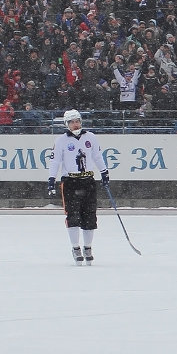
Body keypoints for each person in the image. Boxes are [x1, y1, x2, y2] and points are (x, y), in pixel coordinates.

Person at [47, 109, 109, 265]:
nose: (76, 124)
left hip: (88, 180)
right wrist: (51, 179)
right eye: (72, 122)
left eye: (77, 121)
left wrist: (104, 172)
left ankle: (88, 247)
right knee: (73, 216)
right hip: (70, 181)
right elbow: (55, 162)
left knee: (89, 216)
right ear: (67, 124)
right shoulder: (61, 140)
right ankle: (75, 248)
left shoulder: (91, 137)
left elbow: (97, 156)